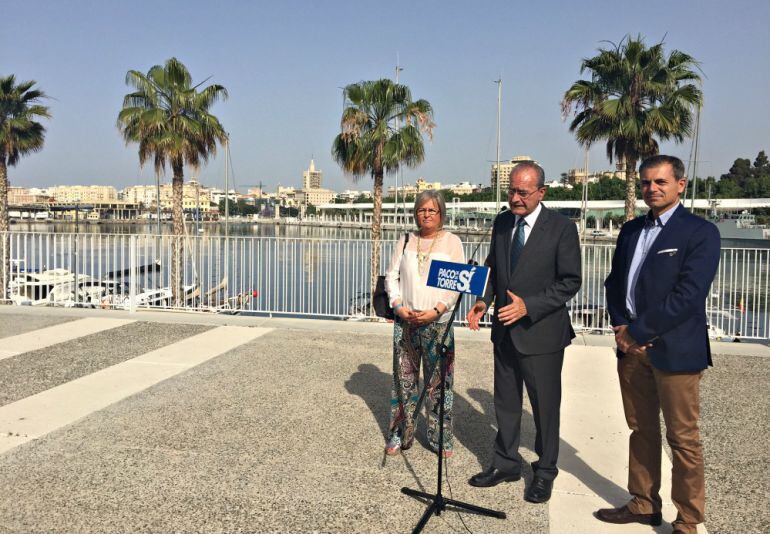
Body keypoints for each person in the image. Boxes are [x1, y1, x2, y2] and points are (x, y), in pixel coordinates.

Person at [597, 155, 720, 534]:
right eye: (647, 182)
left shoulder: (699, 232)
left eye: (660, 182)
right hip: (630, 349)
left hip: (675, 351)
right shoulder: (632, 230)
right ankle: (644, 502)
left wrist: (640, 331)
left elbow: (688, 295)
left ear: (680, 185)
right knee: (641, 430)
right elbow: (615, 282)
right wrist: (620, 324)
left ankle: (687, 520)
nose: (652, 189)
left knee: (682, 439)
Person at [466, 161, 581, 503]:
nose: (515, 198)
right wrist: (483, 301)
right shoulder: (502, 222)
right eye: (511, 191)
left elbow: (570, 281)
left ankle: (544, 471)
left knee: (545, 408)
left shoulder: (561, 228)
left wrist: (528, 306)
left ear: (541, 192)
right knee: (505, 402)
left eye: (522, 192)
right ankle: (505, 463)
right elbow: (493, 268)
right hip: (503, 331)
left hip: (542, 334)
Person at [384, 190, 465, 458]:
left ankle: (440, 437)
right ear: (415, 213)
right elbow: (391, 277)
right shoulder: (406, 240)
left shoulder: (452, 242)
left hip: (438, 322)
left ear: (441, 213)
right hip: (406, 321)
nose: (426, 214)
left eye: (432, 210)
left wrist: (437, 310)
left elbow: (456, 285)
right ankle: (400, 433)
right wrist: (397, 305)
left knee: (439, 384)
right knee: (403, 381)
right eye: (421, 210)